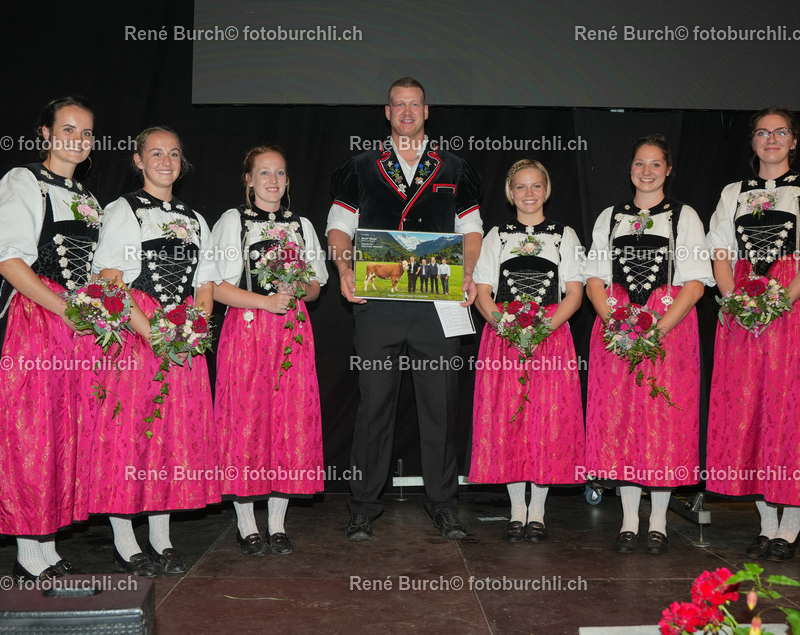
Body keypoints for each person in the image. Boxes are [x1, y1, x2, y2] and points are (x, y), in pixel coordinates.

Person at [327, 76, 483, 541]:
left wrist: (468, 271)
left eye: (415, 105)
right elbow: (339, 229)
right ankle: (363, 506)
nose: (407, 112)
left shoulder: (455, 167)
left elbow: (471, 232)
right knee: (374, 404)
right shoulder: (359, 167)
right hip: (379, 304)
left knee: (441, 405)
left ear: (427, 111)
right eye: (399, 105)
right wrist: (344, 269)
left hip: (438, 303)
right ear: (387, 111)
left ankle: (443, 503)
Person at [706, 108, 800, 562]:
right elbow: (721, 254)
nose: (771, 139)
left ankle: (790, 528)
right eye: (763, 133)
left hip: (796, 308)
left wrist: (779, 301)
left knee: (794, 413)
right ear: (752, 141)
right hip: (743, 308)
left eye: (781, 132)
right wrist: (736, 304)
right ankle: (766, 524)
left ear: (794, 141)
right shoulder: (733, 193)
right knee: (751, 409)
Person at [0, 95, 101, 580]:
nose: (78, 139)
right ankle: (29, 548)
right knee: (32, 429)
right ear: (45, 134)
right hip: (35, 319)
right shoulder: (23, 180)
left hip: (77, 325)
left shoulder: (88, 199)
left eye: (87, 132)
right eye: (68, 128)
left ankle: (46, 544)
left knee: (65, 431)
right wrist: (64, 307)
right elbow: (7, 259)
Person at [90, 126, 218, 576]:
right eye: (156, 153)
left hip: (181, 336)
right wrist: (153, 334)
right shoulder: (125, 210)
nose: (167, 161)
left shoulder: (196, 218)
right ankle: (125, 540)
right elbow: (111, 280)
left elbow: (205, 283)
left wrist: (194, 326)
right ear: (139, 161)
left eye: (175, 154)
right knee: (130, 436)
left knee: (172, 438)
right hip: (138, 334)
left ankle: (161, 538)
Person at [584, 135, 713, 554]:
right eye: (640, 163)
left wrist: (656, 330)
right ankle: (627, 520)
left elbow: (694, 284)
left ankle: (657, 520)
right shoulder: (610, 216)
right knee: (620, 420)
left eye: (655, 164)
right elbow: (594, 279)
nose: (647, 171)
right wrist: (615, 323)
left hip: (668, 328)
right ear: (631, 169)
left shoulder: (684, 216)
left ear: (668, 170)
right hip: (618, 327)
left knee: (663, 424)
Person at [203, 145, 328, 556]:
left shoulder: (301, 225)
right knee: (246, 422)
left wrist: (297, 292)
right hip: (248, 332)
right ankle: (245, 523)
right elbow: (217, 287)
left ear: (288, 180)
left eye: (280, 173)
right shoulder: (233, 221)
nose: (273, 181)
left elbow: (315, 288)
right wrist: (264, 302)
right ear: (249, 180)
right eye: (264, 173)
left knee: (289, 423)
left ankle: (277, 523)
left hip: (292, 335)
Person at [469, 159, 586, 543]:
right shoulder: (496, 235)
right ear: (510, 193)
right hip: (503, 337)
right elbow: (483, 293)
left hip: (550, 338)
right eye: (521, 187)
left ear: (546, 190)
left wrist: (541, 330)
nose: (529, 194)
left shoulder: (563, 234)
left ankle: (538, 511)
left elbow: (575, 292)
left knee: (547, 423)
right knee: (509, 422)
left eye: (536, 186)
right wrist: (505, 325)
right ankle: (517, 510)